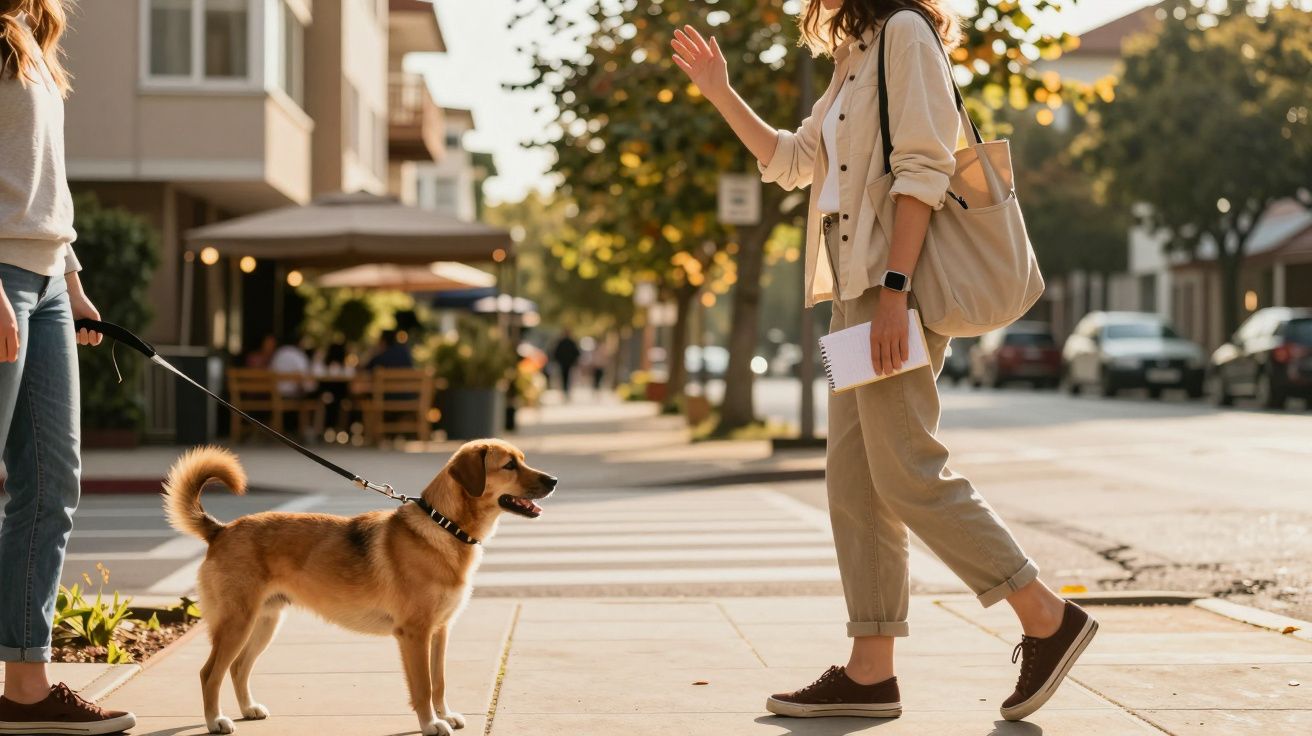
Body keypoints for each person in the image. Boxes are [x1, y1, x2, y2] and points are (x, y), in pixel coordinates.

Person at [672, 0, 1096, 724]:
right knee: (855, 480)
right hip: (852, 296)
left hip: (886, 291)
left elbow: (924, 167)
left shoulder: (906, 33)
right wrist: (720, 92)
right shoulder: (852, 57)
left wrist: (897, 291)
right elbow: (790, 162)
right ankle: (871, 670)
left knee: (907, 467)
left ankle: (1044, 616)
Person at [0, 1, 137, 732]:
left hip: (49, 281)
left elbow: (44, 180)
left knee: (52, 482)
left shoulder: (35, 37)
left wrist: (75, 286)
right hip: (0, 276)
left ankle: (24, 690)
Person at [551, 329, 581, 399]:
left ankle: (566, 390)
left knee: (565, 376)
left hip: (565, 362)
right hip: (566, 362)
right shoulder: (569, 342)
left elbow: (556, 352)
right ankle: (565, 390)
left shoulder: (564, 342)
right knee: (567, 377)